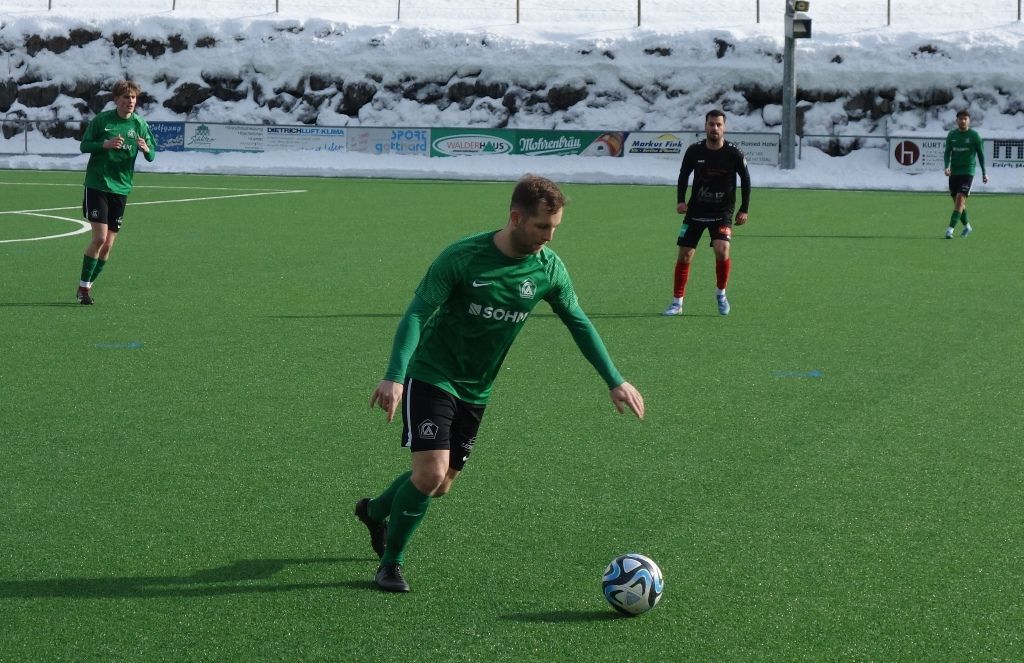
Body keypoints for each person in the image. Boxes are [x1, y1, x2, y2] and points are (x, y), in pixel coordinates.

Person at [355, 174, 646, 593]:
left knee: (441, 485)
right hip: (433, 373)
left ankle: (374, 510)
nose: (549, 236)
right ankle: (391, 563)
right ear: (515, 218)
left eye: (555, 227)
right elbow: (417, 313)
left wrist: (614, 380)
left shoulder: (548, 268)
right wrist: (395, 376)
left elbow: (578, 322)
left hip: (478, 388)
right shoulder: (463, 256)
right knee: (430, 473)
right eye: (541, 226)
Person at [75, 79, 157, 305]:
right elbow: (84, 145)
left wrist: (146, 149)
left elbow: (152, 155)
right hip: (98, 184)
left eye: (133, 97)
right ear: (116, 99)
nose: (130, 101)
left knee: (109, 244)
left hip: (121, 188)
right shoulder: (102, 121)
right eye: (126, 97)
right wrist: (105, 144)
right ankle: (83, 289)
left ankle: (86, 285)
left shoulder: (139, 124)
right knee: (100, 238)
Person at [663, 109, 751, 317]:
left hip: (722, 211)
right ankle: (677, 303)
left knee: (722, 249)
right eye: (711, 124)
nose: (715, 128)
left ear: (724, 127)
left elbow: (746, 180)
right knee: (685, 254)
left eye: (718, 125)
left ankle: (721, 294)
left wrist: (744, 209)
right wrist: (681, 200)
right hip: (696, 209)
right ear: (705, 126)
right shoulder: (694, 151)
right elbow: (683, 175)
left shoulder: (734, 153)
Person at [943, 109, 988, 239]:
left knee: (960, 199)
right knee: (958, 203)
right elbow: (947, 152)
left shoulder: (974, 136)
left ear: (969, 121)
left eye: (965, 119)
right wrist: (946, 167)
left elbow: (981, 155)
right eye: (960, 119)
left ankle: (950, 230)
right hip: (954, 172)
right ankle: (967, 226)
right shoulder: (952, 135)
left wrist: (984, 173)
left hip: (968, 172)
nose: (963, 121)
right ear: (956, 120)